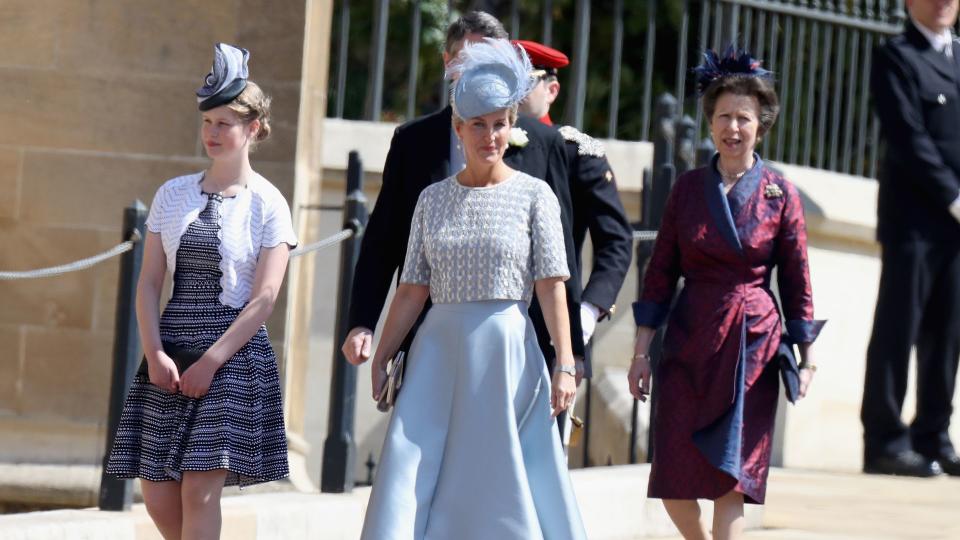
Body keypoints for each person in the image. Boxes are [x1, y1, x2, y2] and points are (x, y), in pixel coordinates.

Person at [357, 38, 587, 540]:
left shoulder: (536, 196)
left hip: (507, 350)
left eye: (500, 123)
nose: (490, 135)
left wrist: (566, 364)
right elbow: (412, 289)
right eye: (478, 125)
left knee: (499, 473)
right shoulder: (431, 199)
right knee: (414, 467)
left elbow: (552, 286)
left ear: (513, 126)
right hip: (436, 351)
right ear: (458, 129)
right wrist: (384, 353)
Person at [627, 47, 825, 540]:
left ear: (761, 125)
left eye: (744, 118)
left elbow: (798, 280)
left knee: (730, 478)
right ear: (710, 124)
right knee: (673, 479)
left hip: (751, 345)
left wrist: (807, 358)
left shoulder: (781, 193)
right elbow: (660, 274)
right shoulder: (688, 190)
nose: (732, 128)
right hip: (689, 340)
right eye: (723, 117)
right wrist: (640, 352)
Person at [106, 44, 297, 539]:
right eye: (207, 121)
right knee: (157, 495)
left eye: (224, 124)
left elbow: (265, 297)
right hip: (169, 350)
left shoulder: (269, 204)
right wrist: (154, 352)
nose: (212, 133)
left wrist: (212, 361)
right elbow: (149, 284)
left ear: (252, 129)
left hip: (231, 355)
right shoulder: (173, 194)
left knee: (199, 490)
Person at [341, 11, 584, 378]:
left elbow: (560, 258)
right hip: (429, 341)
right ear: (447, 62)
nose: (475, 70)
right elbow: (383, 240)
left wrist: (571, 355)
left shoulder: (544, 144)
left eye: (487, 60)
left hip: (517, 348)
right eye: (465, 59)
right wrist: (363, 322)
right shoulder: (413, 142)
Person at [861, 0, 960, 478]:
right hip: (914, 221)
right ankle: (884, 440)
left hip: (956, 226)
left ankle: (934, 436)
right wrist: (953, 194)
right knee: (898, 331)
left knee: (948, 334)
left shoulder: (957, 58)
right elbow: (908, 136)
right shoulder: (895, 57)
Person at [515, 38, 634, 387]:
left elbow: (615, 240)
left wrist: (587, 311)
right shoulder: (483, 147)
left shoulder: (575, 151)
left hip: (552, 325)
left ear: (551, 89)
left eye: (524, 82)